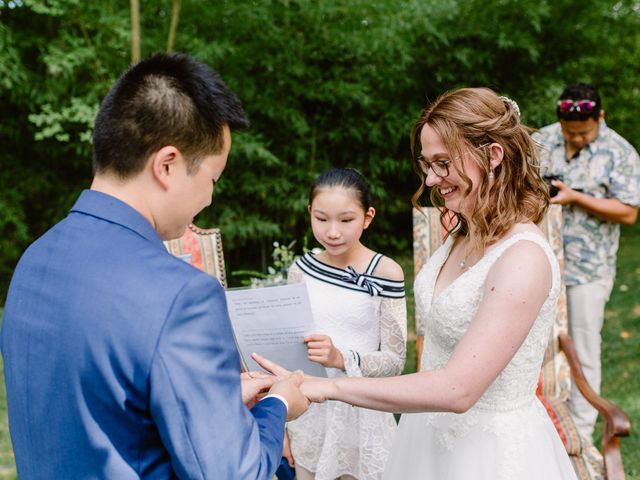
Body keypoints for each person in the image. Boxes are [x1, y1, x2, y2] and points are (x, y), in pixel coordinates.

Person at [1, 53, 309, 479]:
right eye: (212, 180)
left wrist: (214, 403)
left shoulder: (34, 261)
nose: (209, 199)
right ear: (167, 165)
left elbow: (105, 410)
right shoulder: (182, 295)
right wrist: (277, 406)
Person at [255, 87, 579, 479]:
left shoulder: (523, 258)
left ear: (493, 155)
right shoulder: (460, 230)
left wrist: (327, 387)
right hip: (424, 436)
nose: (430, 178)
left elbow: (458, 390)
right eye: (427, 164)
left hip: (489, 453)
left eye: (443, 163)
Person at [283, 168, 407, 480]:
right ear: (310, 212)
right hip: (308, 410)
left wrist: (342, 358)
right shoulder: (300, 270)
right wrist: (282, 424)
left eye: (346, 219)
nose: (333, 231)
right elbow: (286, 351)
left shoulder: (386, 272)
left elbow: (395, 361)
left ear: (368, 217)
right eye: (322, 219)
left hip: (359, 409)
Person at [532, 83, 640, 441]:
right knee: (531, 345)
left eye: (583, 133)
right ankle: (541, 426)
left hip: (588, 270)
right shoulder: (542, 140)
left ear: (600, 118)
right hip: (536, 264)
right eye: (569, 132)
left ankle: (579, 433)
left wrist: (575, 197)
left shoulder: (620, 151)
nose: (575, 139)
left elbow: (628, 212)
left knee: (583, 348)